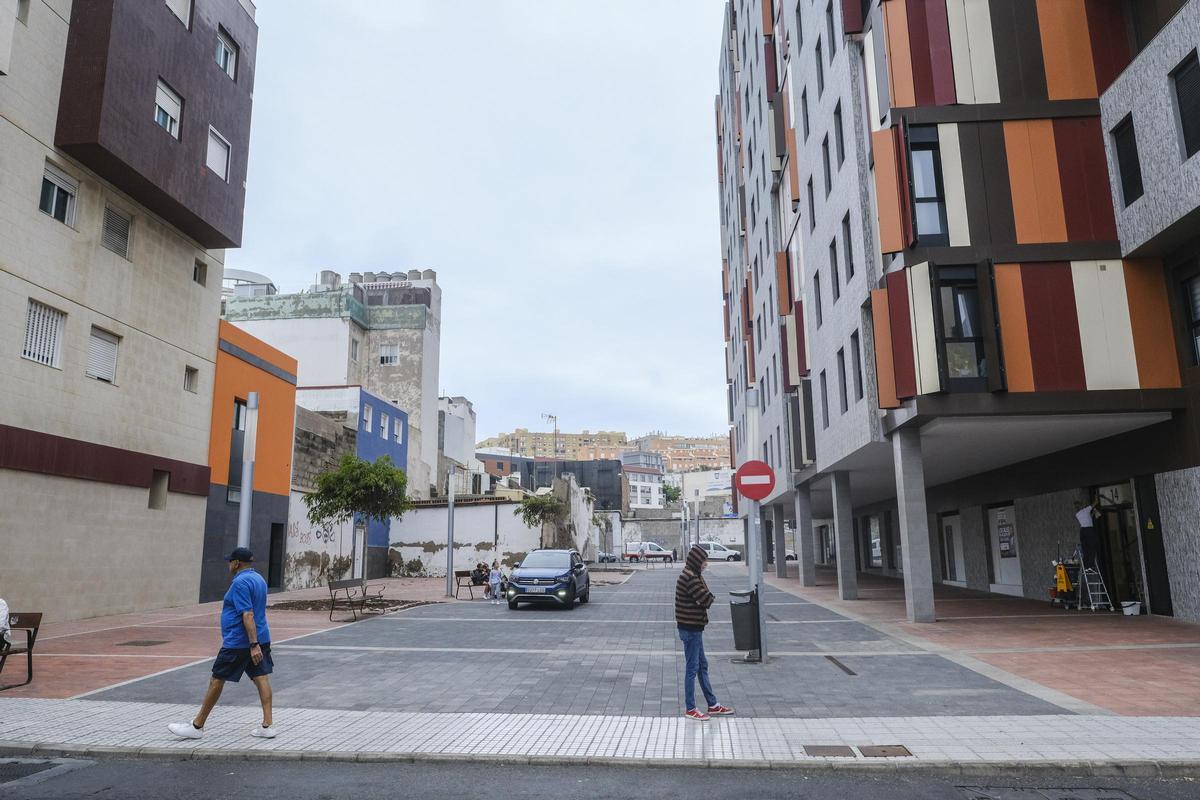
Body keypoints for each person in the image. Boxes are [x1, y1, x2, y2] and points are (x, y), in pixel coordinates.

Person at [169, 547, 276, 740]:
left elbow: (247, 614)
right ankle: (267, 726)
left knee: (217, 679)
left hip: (239, 642)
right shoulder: (259, 579)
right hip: (261, 637)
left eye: (230, 561)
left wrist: (253, 645)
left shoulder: (240, 583)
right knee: (261, 678)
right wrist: (257, 643)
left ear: (236, 563)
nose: (229, 565)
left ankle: (197, 726)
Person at [674, 544, 733, 721]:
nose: (706, 564)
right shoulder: (690, 578)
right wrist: (708, 597)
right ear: (696, 561)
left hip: (694, 628)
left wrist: (706, 597)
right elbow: (706, 599)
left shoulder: (693, 575)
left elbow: (705, 598)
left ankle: (712, 704)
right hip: (690, 629)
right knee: (692, 668)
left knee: (702, 666)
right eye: (703, 561)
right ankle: (690, 708)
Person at [1075, 495, 1104, 573]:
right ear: (1081, 506)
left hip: (1083, 531)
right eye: (1082, 504)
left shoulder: (1078, 514)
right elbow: (1095, 502)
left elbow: (1088, 517)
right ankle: (1090, 566)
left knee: (1086, 549)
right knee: (1092, 547)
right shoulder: (1085, 510)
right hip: (1089, 530)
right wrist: (1097, 495)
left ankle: (1086, 566)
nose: (1084, 505)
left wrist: (1093, 513)